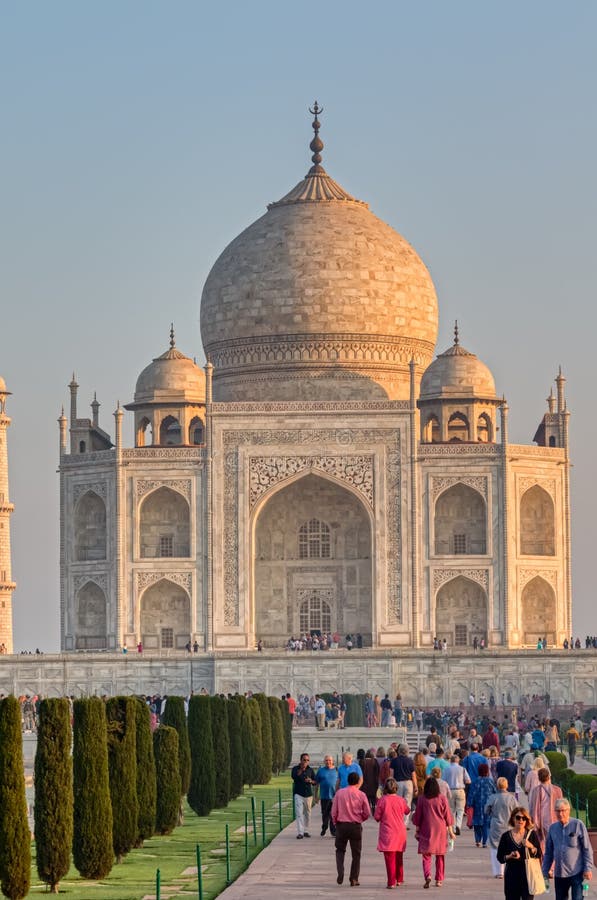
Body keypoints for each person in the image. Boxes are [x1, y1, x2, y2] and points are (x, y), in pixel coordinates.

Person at [542, 798, 593, 900]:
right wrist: (545, 871)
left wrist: (588, 868)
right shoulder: (552, 828)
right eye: (558, 811)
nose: (560, 814)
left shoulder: (578, 824)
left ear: (568, 810)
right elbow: (548, 852)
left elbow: (587, 848)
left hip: (577, 873)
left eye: (563, 810)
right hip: (560, 874)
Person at [411, 776, 454, 888]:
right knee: (440, 855)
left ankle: (428, 875)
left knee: (426, 855)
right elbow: (447, 816)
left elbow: (418, 817)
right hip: (440, 830)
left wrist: (417, 830)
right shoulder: (442, 798)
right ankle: (439, 879)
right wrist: (451, 831)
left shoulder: (422, 799)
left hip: (426, 829)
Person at [331, 771, 371, 886]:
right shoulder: (361, 794)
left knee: (340, 850)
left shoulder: (339, 793)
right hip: (355, 825)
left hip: (341, 825)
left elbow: (334, 811)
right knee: (356, 854)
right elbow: (367, 812)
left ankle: (340, 871)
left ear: (347, 781)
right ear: (358, 781)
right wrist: (360, 819)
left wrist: (335, 822)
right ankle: (354, 878)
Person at [497, 807, 542, 900]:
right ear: (513, 818)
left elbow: (538, 853)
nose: (521, 820)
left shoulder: (531, 835)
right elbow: (500, 857)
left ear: (526, 821)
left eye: (524, 818)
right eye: (518, 817)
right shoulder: (506, 836)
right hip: (512, 875)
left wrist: (531, 846)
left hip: (528, 875)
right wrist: (510, 856)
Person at [374, 777, 410, 888]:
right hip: (400, 832)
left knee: (390, 858)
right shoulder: (401, 800)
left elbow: (377, 817)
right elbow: (407, 810)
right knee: (399, 856)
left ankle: (391, 882)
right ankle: (399, 878)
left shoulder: (382, 800)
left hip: (388, 833)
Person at [486, 777, 518, 878]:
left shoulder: (493, 797)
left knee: (495, 847)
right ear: (507, 785)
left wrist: (492, 813)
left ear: (497, 785)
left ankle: (498, 871)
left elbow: (486, 810)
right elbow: (517, 810)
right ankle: (507, 870)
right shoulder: (511, 798)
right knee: (509, 847)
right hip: (508, 825)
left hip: (496, 825)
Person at [528, 768, 563, 854]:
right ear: (549, 776)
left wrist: (532, 820)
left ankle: (546, 861)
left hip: (542, 820)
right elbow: (562, 805)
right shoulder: (557, 790)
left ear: (539, 778)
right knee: (555, 842)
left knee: (543, 842)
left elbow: (532, 807)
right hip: (555, 819)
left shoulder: (536, 790)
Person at [467, 762, 496, 848]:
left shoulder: (475, 781)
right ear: (487, 771)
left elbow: (471, 793)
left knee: (477, 823)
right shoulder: (490, 781)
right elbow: (495, 792)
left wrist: (469, 803)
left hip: (477, 805)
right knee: (486, 824)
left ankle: (477, 840)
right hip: (488, 806)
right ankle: (485, 842)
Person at [443, 754, 471, 835]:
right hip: (460, 790)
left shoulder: (446, 769)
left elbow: (443, 780)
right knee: (460, 809)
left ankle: (454, 826)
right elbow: (468, 780)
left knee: (452, 810)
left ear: (451, 760)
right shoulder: (462, 769)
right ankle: (458, 825)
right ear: (458, 760)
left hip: (450, 790)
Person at [390, 744, 418, 822]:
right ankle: (405, 823)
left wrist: (391, 784)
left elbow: (391, 775)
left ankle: (398, 820)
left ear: (399, 751)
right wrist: (415, 786)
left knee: (398, 803)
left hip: (397, 783)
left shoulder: (394, 761)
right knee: (407, 803)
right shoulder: (410, 761)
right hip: (408, 783)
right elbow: (413, 775)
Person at [291, 752, 316, 838]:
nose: (306, 761)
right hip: (298, 794)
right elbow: (294, 777)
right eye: (304, 760)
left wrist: (310, 781)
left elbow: (315, 782)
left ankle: (306, 830)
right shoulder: (295, 768)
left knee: (307, 813)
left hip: (308, 794)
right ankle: (300, 832)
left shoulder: (311, 770)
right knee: (299, 813)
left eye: (307, 760)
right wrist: (301, 769)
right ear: (301, 760)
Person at [316, 755, 338, 837]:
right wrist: (316, 796)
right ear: (324, 761)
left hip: (334, 797)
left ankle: (333, 831)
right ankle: (324, 827)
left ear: (332, 761)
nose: (328, 762)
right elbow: (317, 784)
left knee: (333, 815)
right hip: (324, 796)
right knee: (325, 814)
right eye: (326, 760)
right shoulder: (321, 771)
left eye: (329, 760)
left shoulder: (336, 770)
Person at [361, 749, 380, 813]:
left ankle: (367, 810)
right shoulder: (375, 761)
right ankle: (373, 810)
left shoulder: (362, 762)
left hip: (365, 783)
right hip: (373, 783)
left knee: (366, 798)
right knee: (373, 799)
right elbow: (378, 772)